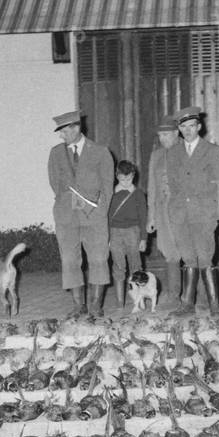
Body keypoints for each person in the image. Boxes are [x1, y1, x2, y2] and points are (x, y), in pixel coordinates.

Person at [166, 105, 219, 318]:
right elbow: (171, 184)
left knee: (205, 258)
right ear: (179, 129)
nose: (187, 130)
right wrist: (173, 207)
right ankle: (187, 304)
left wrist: (212, 210)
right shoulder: (173, 153)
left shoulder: (212, 151)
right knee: (188, 258)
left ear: (199, 127)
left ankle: (214, 305)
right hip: (180, 215)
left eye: (191, 126)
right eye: (183, 126)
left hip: (203, 215)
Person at [47, 110, 114, 319]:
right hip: (66, 216)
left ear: (76, 128)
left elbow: (108, 187)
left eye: (64, 131)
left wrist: (99, 210)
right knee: (69, 260)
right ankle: (78, 305)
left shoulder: (100, 152)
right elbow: (54, 183)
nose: (61, 136)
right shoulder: (56, 153)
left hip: (93, 215)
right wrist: (67, 203)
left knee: (98, 259)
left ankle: (95, 304)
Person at [146, 115, 183, 306]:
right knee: (169, 252)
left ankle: (198, 298)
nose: (163, 139)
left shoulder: (187, 150)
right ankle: (173, 295)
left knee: (192, 252)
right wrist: (151, 216)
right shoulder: (156, 155)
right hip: (163, 211)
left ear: (176, 133)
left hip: (184, 211)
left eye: (166, 134)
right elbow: (152, 186)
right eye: (160, 135)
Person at [109, 159, 148, 307]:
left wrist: (143, 238)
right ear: (117, 176)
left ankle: (138, 302)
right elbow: (107, 216)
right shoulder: (111, 193)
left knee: (136, 266)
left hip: (133, 231)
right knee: (118, 266)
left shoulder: (138, 194)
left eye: (129, 178)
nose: (126, 182)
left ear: (134, 175)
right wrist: (107, 237)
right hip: (115, 232)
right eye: (122, 179)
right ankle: (120, 303)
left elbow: (143, 217)